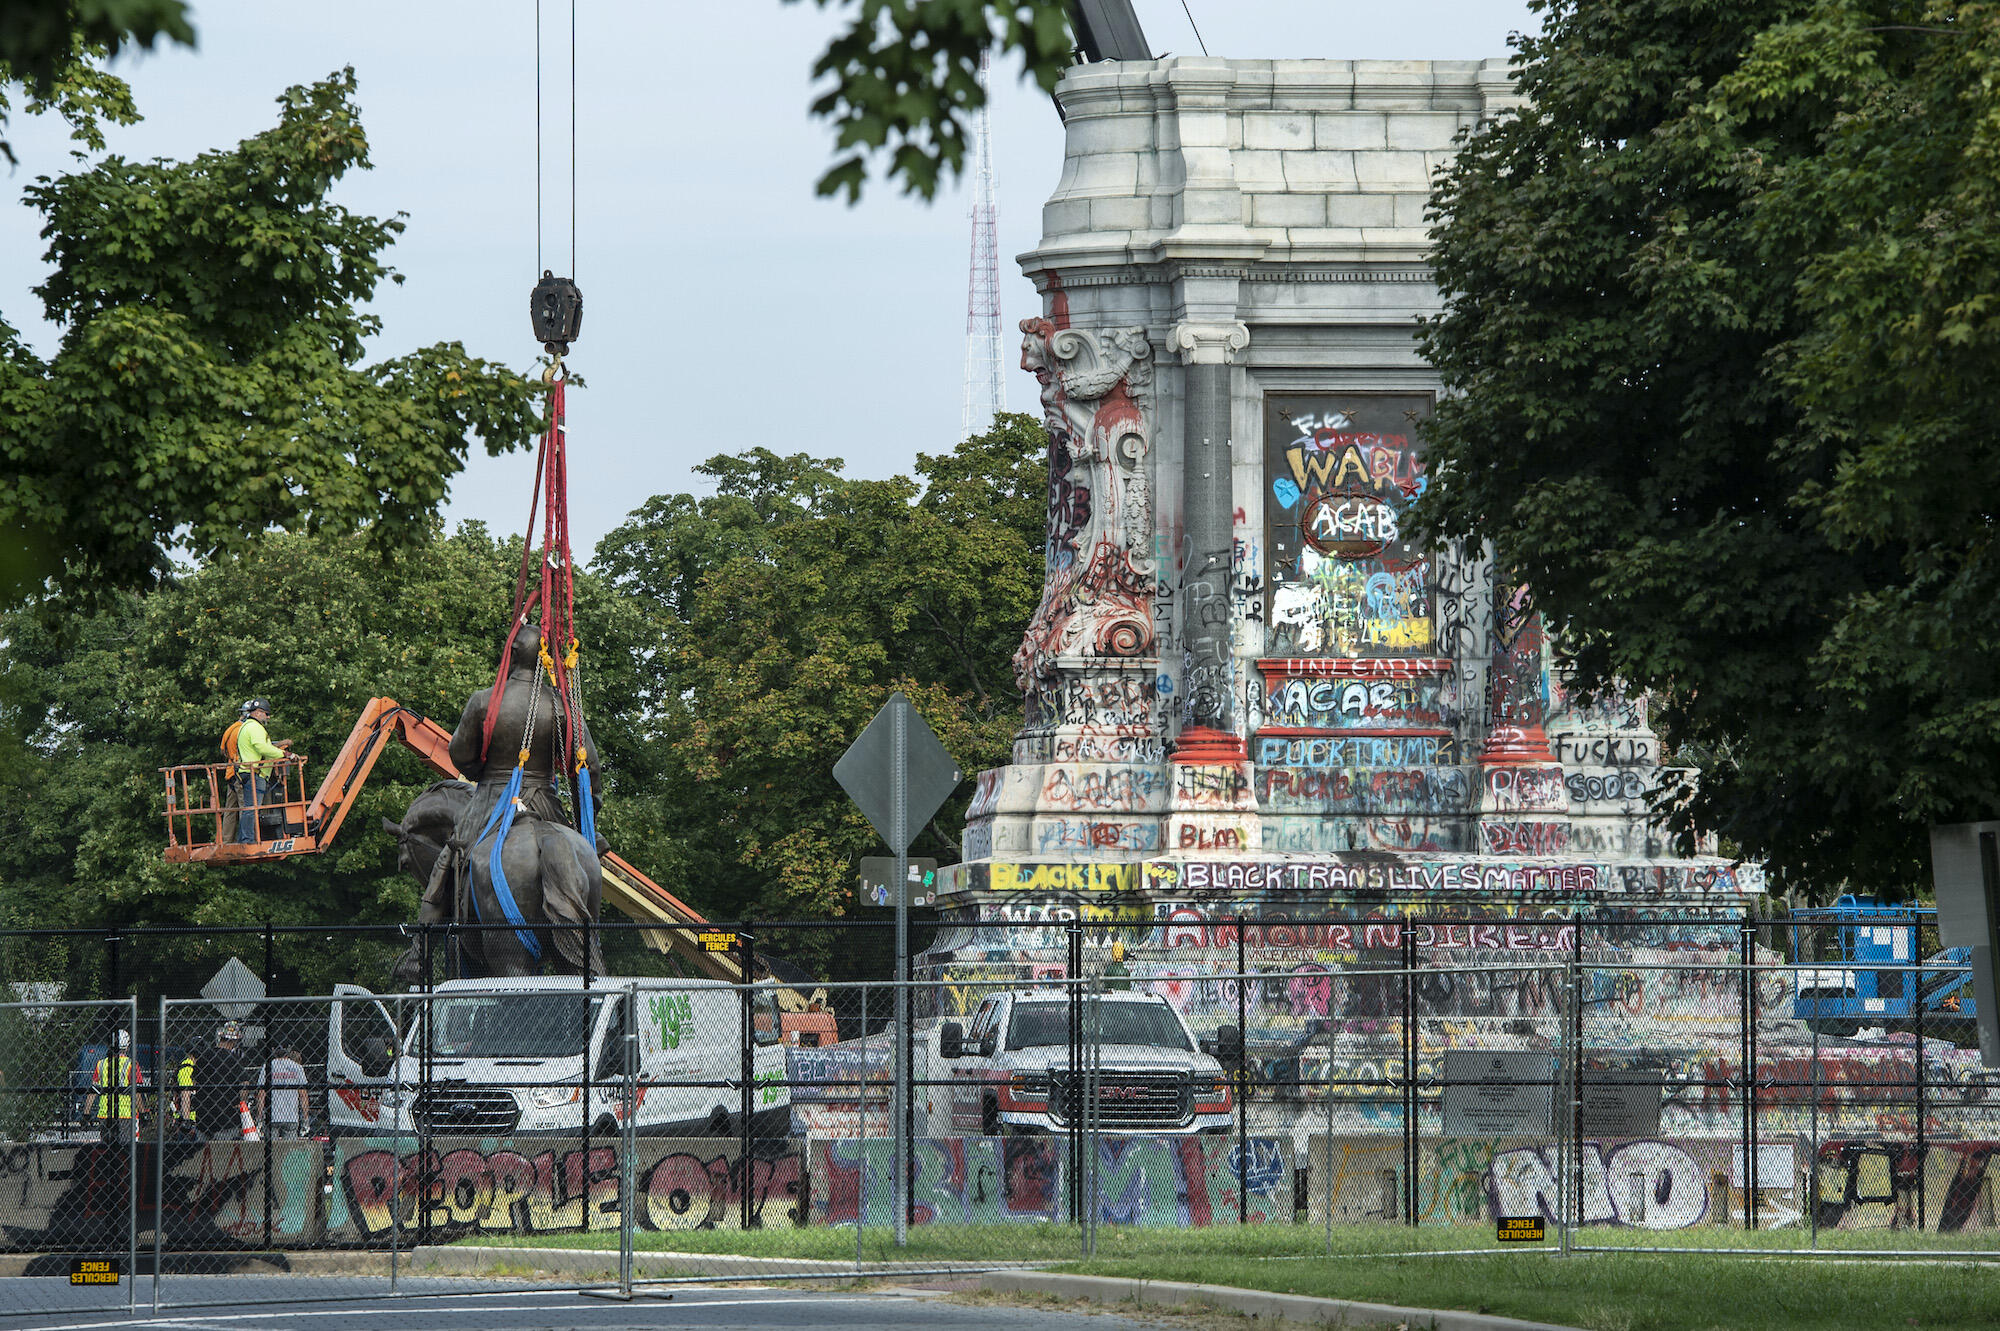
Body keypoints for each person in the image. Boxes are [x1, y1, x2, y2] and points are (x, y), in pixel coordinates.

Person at [411, 623, 600, 930]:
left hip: (491, 799)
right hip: (546, 804)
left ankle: (420, 950)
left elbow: (460, 755)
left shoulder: (484, 700)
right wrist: (590, 818)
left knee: (449, 862)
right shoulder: (565, 707)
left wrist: (480, 772)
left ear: (511, 655)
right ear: (546, 660)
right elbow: (588, 768)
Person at [233, 699, 292, 844]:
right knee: (252, 809)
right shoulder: (255, 727)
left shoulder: (248, 726)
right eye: (266, 714)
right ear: (258, 713)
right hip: (254, 773)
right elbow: (262, 747)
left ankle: (245, 838)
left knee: (250, 808)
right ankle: (247, 840)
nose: (268, 717)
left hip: (250, 773)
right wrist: (284, 754)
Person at [190, 1021, 249, 1141]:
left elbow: (194, 1081)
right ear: (233, 1041)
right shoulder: (233, 1059)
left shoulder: (203, 1056)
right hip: (226, 1116)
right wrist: (241, 1101)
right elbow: (245, 1083)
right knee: (224, 1150)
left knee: (202, 1151)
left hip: (204, 1115)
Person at [88, 1030, 147, 1144]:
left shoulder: (101, 1064)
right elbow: (136, 1092)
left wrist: (86, 1113)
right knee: (127, 1148)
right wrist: (143, 1112)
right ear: (127, 1045)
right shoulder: (131, 1064)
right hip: (126, 1114)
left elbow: (93, 1090)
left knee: (107, 1147)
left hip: (105, 1113)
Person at [257, 1048, 309, 1139]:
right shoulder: (297, 1067)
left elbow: (261, 1094)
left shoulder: (267, 1067)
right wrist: (305, 1117)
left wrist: (260, 1116)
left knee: (272, 1147)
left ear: (273, 1050)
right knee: (290, 1149)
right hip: (291, 1115)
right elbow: (303, 1095)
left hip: (272, 1115)